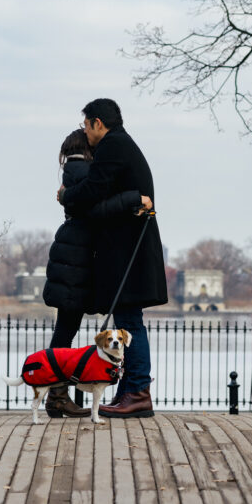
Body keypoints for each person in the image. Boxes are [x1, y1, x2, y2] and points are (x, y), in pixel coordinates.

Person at [57, 98, 167, 418]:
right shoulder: (122, 145)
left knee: (131, 321)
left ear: (97, 123)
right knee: (129, 319)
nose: (85, 131)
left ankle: (136, 393)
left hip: (127, 251)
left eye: (86, 125)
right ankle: (130, 392)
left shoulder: (112, 146)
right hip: (130, 248)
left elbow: (93, 190)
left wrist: (67, 196)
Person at [41, 128, 150, 418]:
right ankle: (57, 396)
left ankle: (58, 394)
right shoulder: (84, 170)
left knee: (66, 327)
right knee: (65, 329)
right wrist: (133, 198)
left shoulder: (75, 171)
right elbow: (96, 206)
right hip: (77, 257)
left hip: (75, 253)